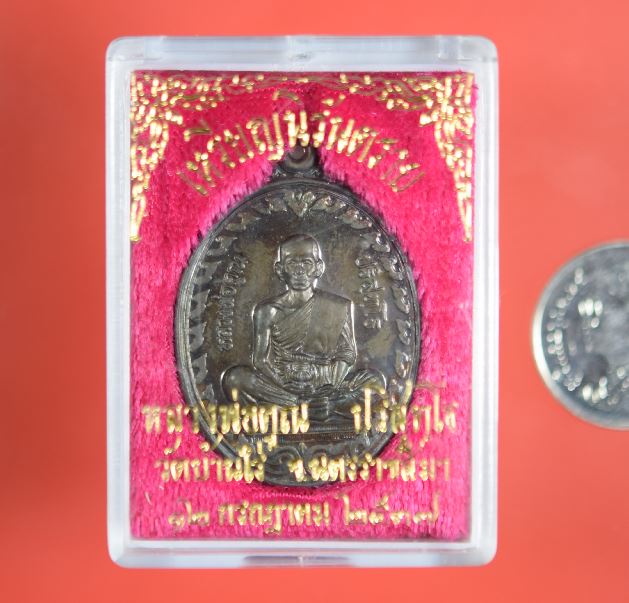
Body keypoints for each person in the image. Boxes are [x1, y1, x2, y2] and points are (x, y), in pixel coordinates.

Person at [222, 234, 382, 406]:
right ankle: (312, 406)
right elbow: (260, 360)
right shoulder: (267, 310)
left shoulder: (338, 306)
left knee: (374, 382)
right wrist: (284, 384)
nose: (300, 271)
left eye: (306, 263)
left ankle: (301, 407)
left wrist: (330, 384)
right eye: (292, 263)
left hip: (325, 380)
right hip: (283, 381)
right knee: (235, 379)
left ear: (318, 268)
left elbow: (347, 353)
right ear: (280, 269)